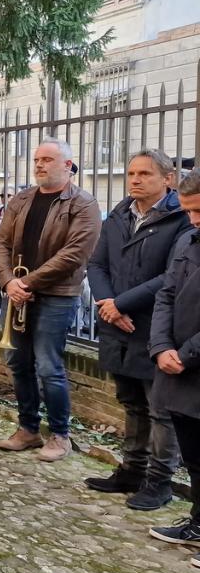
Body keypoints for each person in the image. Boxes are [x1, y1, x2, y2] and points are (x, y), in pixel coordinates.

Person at [85, 149, 189, 510]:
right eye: (131, 173)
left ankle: (160, 482)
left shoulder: (181, 219)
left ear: (168, 178)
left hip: (155, 327)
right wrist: (109, 306)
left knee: (160, 409)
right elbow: (96, 265)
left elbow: (171, 277)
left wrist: (121, 304)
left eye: (145, 173)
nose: (135, 180)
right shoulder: (118, 214)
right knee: (130, 403)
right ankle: (131, 471)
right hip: (118, 324)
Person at [0, 138, 101, 462]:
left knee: (48, 365)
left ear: (67, 165)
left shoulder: (83, 203)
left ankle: (60, 436)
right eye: (37, 159)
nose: (39, 165)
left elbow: (73, 255)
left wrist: (24, 281)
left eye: (48, 160)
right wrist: (9, 281)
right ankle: (28, 429)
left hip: (57, 295)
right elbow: (0, 242)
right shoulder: (22, 199)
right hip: (17, 292)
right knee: (16, 361)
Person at [147, 169, 200, 566]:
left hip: (192, 360)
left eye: (198, 210)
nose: (193, 219)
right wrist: (162, 346)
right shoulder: (187, 238)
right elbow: (166, 294)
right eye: (187, 211)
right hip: (177, 365)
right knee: (194, 453)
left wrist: (186, 353)